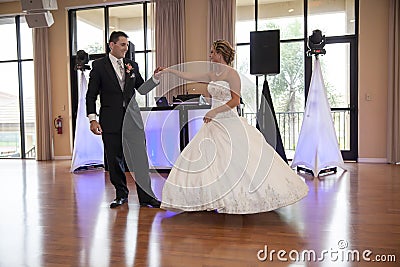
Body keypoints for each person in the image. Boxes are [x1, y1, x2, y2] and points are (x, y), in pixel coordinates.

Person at [159, 40, 309, 214]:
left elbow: (235, 101)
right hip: (213, 124)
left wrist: (214, 112)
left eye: (212, 52)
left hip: (228, 121)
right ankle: (214, 197)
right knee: (209, 162)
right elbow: (189, 76)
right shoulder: (212, 74)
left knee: (237, 162)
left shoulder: (232, 74)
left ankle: (241, 197)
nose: (210, 55)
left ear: (220, 53)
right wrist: (168, 71)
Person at [86, 31, 161, 208]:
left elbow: (142, 89)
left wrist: (155, 79)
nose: (126, 48)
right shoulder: (99, 66)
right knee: (114, 160)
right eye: (122, 44)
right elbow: (91, 95)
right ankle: (121, 195)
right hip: (110, 121)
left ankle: (147, 197)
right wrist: (92, 119)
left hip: (133, 120)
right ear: (111, 45)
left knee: (141, 159)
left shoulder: (132, 65)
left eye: (127, 45)